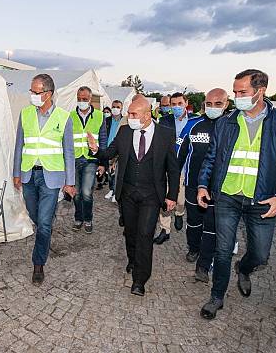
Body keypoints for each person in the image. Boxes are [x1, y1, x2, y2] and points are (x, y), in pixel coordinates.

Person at [197, 69, 276, 319]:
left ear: (261, 91)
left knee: (260, 254)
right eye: (235, 92)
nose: (236, 97)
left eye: (242, 92)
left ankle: (244, 268)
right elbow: (211, 158)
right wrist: (203, 185)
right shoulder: (226, 122)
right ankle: (217, 296)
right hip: (226, 197)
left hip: (263, 200)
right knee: (222, 250)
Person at [87, 95, 179, 296]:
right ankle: (132, 259)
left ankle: (140, 279)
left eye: (133, 114)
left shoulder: (165, 134)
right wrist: (96, 150)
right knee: (130, 232)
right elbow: (110, 153)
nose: (129, 117)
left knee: (145, 234)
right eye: (129, 113)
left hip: (152, 195)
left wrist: (172, 195)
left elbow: (173, 168)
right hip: (127, 193)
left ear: (147, 115)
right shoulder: (125, 132)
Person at [13, 73, 76, 284]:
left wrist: (70, 181)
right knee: (35, 216)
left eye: (35, 91)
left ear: (48, 94)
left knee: (44, 223)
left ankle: (38, 264)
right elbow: (19, 145)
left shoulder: (64, 117)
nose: (32, 95)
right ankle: (45, 230)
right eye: (31, 91)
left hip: (52, 176)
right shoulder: (25, 114)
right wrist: (16, 173)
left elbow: (69, 152)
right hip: (29, 173)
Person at [176, 88, 228, 281]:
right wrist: (174, 182)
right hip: (192, 184)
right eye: (208, 104)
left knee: (212, 227)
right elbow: (179, 153)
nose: (212, 108)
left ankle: (204, 266)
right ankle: (193, 248)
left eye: (218, 104)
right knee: (194, 223)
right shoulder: (192, 124)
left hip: (220, 189)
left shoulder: (230, 126)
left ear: (226, 104)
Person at [155, 93, 200, 242]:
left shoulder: (195, 120)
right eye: (172, 104)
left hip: (185, 168)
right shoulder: (164, 120)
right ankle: (164, 230)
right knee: (166, 197)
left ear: (186, 103)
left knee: (180, 200)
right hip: (168, 166)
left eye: (179, 103)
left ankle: (180, 213)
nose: (176, 107)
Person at [71, 86, 107, 233]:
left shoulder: (99, 116)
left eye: (85, 99)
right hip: (74, 159)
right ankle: (78, 218)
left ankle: (88, 219)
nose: (82, 101)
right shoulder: (70, 116)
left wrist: (103, 163)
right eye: (79, 99)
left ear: (90, 99)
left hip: (91, 160)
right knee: (76, 193)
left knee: (86, 192)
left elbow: (103, 140)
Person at [104, 100, 124, 202]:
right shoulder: (106, 120)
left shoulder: (124, 121)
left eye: (118, 107)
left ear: (121, 108)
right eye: (114, 106)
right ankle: (111, 189)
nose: (115, 109)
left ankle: (116, 192)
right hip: (108, 149)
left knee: (117, 172)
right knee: (109, 172)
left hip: (119, 150)